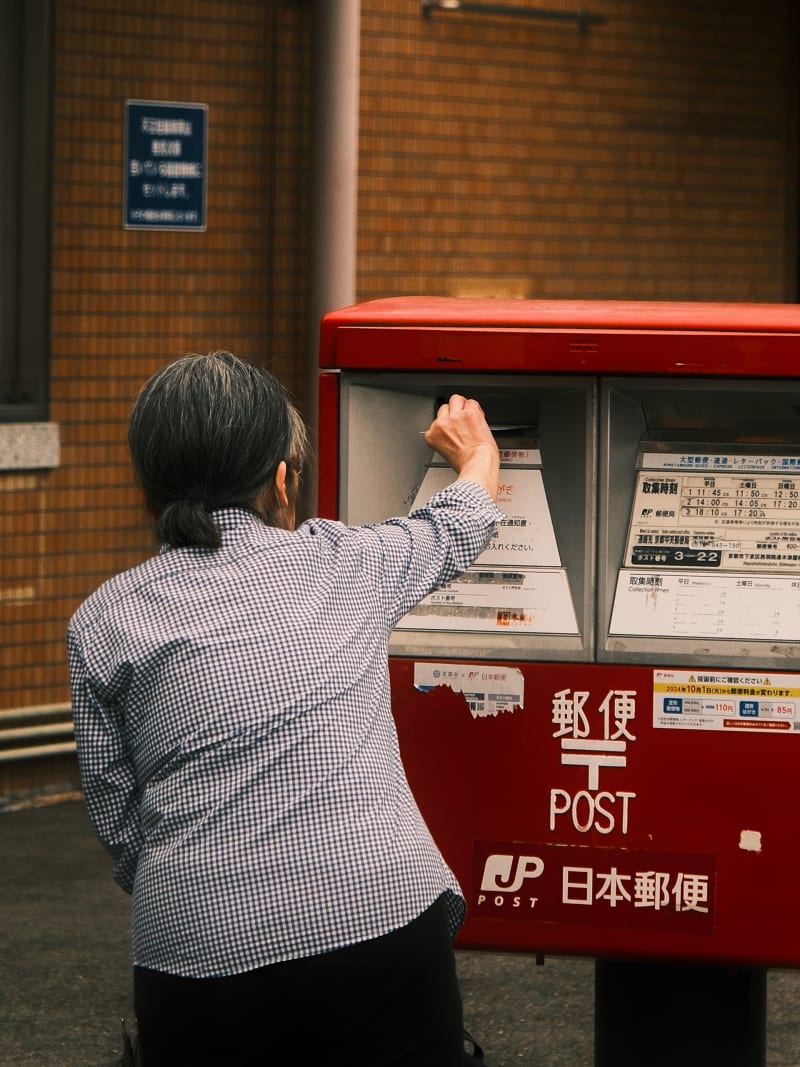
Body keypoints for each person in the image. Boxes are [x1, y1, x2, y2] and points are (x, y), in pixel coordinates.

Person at [67, 350, 502, 1067]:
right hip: (376, 921)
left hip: (193, 954)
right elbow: (458, 523)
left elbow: (118, 817)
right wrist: (479, 453)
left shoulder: (102, 619)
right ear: (279, 479)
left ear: (150, 485)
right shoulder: (342, 563)